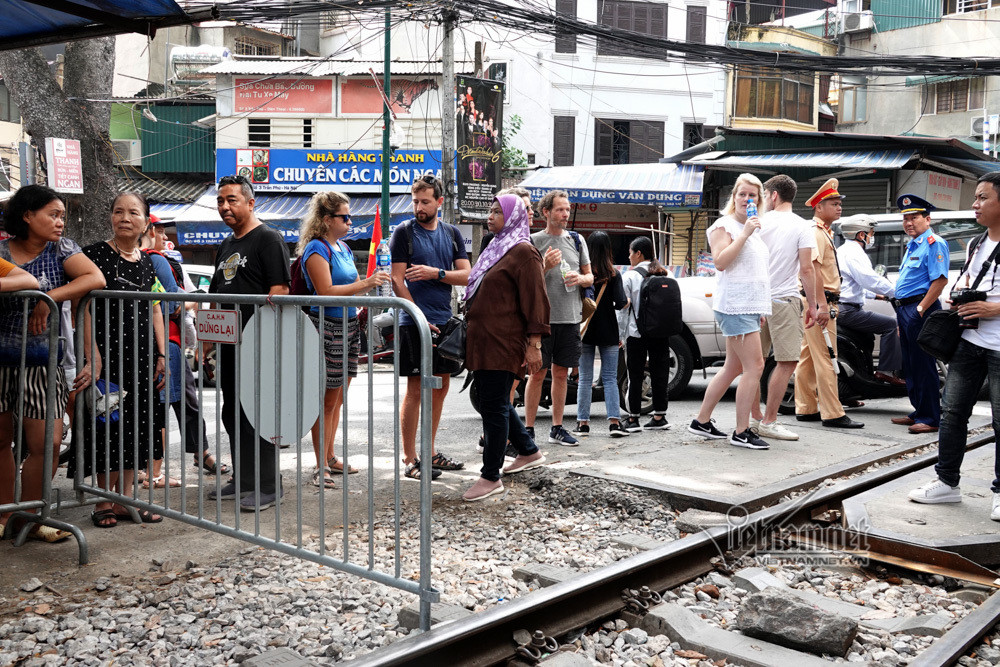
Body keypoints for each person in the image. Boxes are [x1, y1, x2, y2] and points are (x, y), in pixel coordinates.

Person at [0, 185, 104, 540]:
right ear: (28, 215)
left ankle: (30, 516)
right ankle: (4, 516)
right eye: (53, 214)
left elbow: (94, 278)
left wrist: (47, 298)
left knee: (46, 442)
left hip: (44, 363)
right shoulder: (1, 250)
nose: (61, 222)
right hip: (0, 361)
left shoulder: (61, 249)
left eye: (62, 215)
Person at [909, 172, 1000, 520]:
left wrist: (993, 308)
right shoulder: (977, 242)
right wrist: (957, 296)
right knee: (952, 414)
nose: (974, 204)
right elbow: (967, 279)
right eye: (975, 197)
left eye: (982, 198)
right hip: (970, 340)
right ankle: (947, 483)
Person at [77, 191, 166, 527]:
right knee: (107, 428)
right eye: (118, 211)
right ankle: (102, 502)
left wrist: (161, 353)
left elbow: (155, 307)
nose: (124, 218)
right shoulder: (94, 255)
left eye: (133, 212)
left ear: (145, 220)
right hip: (107, 361)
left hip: (142, 360)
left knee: (138, 429)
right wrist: (93, 355)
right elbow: (82, 307)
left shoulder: (147, 262)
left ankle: (125, 500)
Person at [208, 175, 291, 511]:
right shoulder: (226, 245)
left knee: (260, 414)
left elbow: (280, 291)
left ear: (250, 202)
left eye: (232, 200)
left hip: (259, 344)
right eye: (220, 201)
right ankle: (244, 479)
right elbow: (217, 297)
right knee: (233, 412)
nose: (225, 206)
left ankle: (270, 486)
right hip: (229, 345)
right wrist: (210, 341)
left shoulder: (268, 239)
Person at [298, 191, 390, 488]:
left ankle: (329, 457)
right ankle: (320, 464)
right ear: (327, 220)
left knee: (337, 399)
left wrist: (368, 287)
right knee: (326, 399)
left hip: (349, 324)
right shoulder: (316, 248)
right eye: (345, 217)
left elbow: (351, 288)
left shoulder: (344, 249)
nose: (350, 221)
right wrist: (366, 282)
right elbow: (324, 291)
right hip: (326, 325)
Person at [462, 195, 549, 501]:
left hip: (504, 341)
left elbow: (536, 300)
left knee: (494, 406)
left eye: (498, 211)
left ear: (513, 217)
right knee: (494, 401)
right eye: (490, 210)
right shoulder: (498, 248)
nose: (490, 215)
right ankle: (528, 450)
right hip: (485, 340)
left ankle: (490, 476)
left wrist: (534, 344)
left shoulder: (524, 251)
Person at [389, 174, 470, 480]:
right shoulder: (404, 232)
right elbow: (397, 279)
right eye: (415, 200)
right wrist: (418, 315)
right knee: (415, 389)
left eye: (425, 201)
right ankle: (410, 458)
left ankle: (431, 452)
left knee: (441, 387)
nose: (418, 206)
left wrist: (437, 274)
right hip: (413, 321)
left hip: (444, 322)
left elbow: (468, 275)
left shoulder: (451, 233)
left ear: (440, 202)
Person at [140, 214, 230, 486]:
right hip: (166, 343)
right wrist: (185, 305)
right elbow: (173, 304)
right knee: (162, 406)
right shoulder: (153, 261)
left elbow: (187, 295)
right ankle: (153, 471)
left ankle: (199, 453)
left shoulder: (167, 262)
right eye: (161, 231)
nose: (166, 237)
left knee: (184, 402)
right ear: (151, 230)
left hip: (174, 342)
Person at [688, 173, 772, 450]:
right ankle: (742, 430)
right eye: (742, 194)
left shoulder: (753, 227)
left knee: (733, 367)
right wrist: (745, 233)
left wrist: (759, 307)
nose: (747, 199)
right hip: (735, 305)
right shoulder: (724, 226)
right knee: (755, 366)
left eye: (753, 195)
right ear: (733, 197)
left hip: (748, 305)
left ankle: (701, 421)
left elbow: (753, 271)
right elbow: (721, 262)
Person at [749, 174, 817, 441]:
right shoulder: (802, 225)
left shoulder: (758, 223)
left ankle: (754, 419)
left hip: (756, 300)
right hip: (785, 299)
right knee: (786, 361)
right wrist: (812, 305)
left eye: (765, 195)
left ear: (773, 195)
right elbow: (807, 268)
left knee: (753, 363)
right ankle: (769, 420)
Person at [524, 190, 594, 446]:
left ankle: (557, 427)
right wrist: (544, 265)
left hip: (570, 317)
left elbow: (590, 276)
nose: (565, 214)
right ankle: (528, 429)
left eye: (567, 209)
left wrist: (580, 279)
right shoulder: (532, 240)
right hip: (541, 321)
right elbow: (526, 282)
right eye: (560, 210)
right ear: (546, 212)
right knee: (537, 373)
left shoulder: (577, 240)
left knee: (562, 373)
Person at [794, 179, 864, 429]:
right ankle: (833, 413)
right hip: (821, 301)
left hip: (818, 300)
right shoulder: (815, 232)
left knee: (809, 357)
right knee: (826, 356)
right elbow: (812, 269)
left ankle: (806, 407)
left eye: (839, 204)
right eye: (834, 204)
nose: (839, 208)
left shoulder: (823, 231)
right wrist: (821, 306)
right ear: (819, 207)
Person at [890, 194, 949, 435]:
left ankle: (931, 417)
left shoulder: (935, 243)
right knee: (911, 363)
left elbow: (940, 280)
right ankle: (918, 410)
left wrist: (920, 309)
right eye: (905, 218)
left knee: (924, 364)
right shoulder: (913, 245)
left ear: (927, 219)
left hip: (921, 308)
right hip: (906, 309)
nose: (909, 223)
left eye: (914, 217)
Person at [835, 214, 904, 388]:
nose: (872, 237)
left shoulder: (844, 250)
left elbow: (852, 285)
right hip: (847, 311)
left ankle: (861, 380)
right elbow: (870, 279)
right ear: (861, 235)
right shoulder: (854, 253)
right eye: (871, 233)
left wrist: (878, 295)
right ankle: (886, 372)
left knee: (866, 337)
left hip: (845, 307)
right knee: (890, 325)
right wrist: (897, 292)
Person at [575, 231, 629, 437]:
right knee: (609, 378)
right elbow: (620, 302)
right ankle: (614, 423)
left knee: (585, 378)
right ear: (608, 249)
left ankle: (582, 424)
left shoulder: (583, 273)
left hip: (585, 330)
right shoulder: (613, 274)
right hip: (608, 331)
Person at [618, 237, 672, 432]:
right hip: (661, 332)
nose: (629, 256)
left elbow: (623, 309)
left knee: (635, 374)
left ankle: (633, 419)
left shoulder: (630, 277)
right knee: (660, 373)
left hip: (636, 333)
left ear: (639, 253)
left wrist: (620, 335)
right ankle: (659, 416)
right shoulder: (667, 274)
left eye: (631, 252)